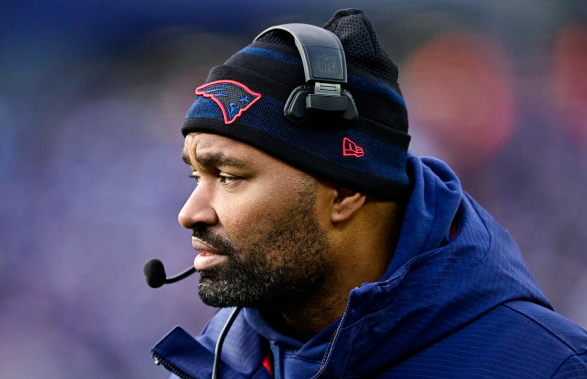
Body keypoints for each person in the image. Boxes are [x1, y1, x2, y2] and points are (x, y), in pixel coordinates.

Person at [149, 8, 587, 378]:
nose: (190, 213)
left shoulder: (550, 366)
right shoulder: (213, 361)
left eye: (227, 176)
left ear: (345, 191)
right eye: (196, 177)